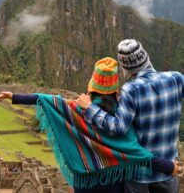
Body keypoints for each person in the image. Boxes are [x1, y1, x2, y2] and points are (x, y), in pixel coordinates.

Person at [0, 57, 177, 193]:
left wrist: (13, 96)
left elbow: (46, 100)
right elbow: (137, 153)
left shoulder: (76, 109)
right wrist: (168, 167)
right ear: (115, 88)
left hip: (86, 183)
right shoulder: (122, 116)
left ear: (92, 85)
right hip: (114, 183)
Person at [76, 40, 182, 193]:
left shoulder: (131, 89)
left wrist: (90, 108)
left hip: (139, 176)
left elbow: (118, 128)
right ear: (147, 58)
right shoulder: (176, 78)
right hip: (168, 173)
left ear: (125, 68)